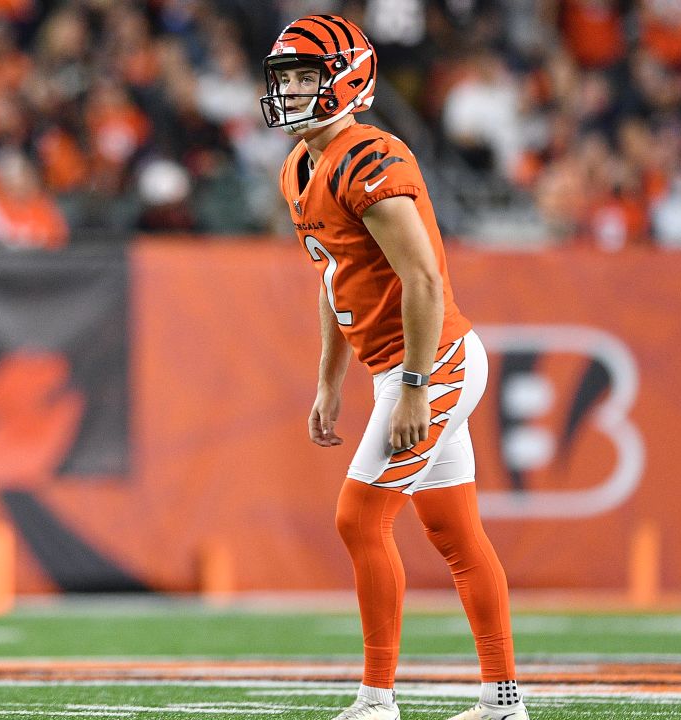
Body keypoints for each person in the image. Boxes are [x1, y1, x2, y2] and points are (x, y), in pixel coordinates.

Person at [260, 15, 529, 720]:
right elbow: (334, 276)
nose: (289, 90)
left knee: (359, 519)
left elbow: (424, 282)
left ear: (347, 81)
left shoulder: (367, 156)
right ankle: (503, 701)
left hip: (431, 358)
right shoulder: (300, 165)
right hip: (401, 363)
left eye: (304, 77)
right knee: (455, 532)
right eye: (283, 77)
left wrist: (411, 385)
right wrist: (329, 379)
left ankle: (377, 700)